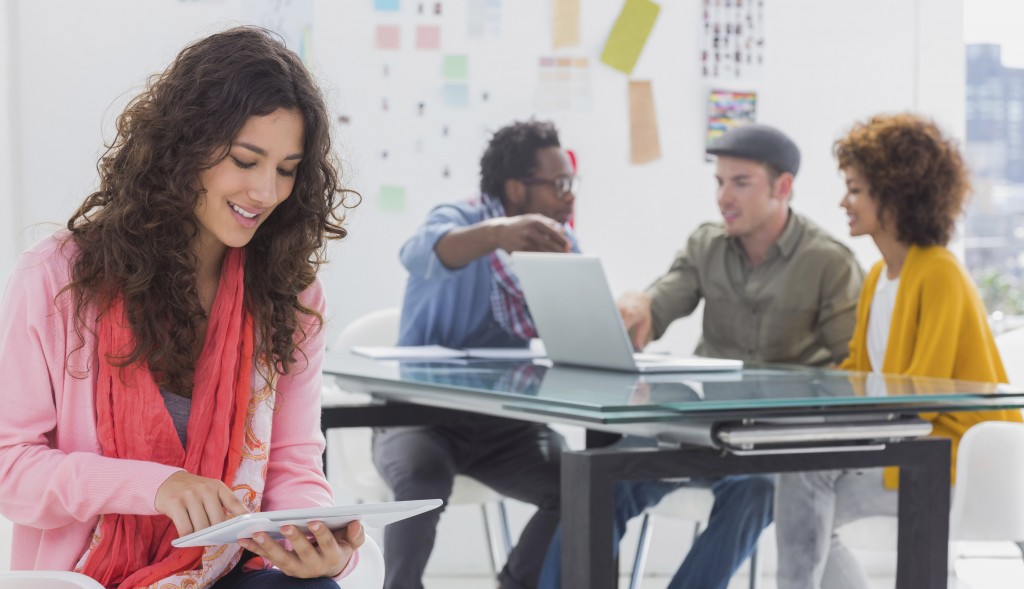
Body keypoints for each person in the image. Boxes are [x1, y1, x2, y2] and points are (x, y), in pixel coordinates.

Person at [0, 27, 363, 588]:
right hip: (91, 577)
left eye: (286, 169)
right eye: (246, 160)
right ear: (184, 147)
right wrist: (156, 486)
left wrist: (320, 538)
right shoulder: (59, 278)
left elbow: (293, 467)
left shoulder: (289, 297)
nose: (266, 191)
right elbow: (10, 468)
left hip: (224, 571)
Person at [538, 124, 866, 589]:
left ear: (783, 187)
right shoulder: (706, 244)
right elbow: (660, 302)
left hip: (769, 445)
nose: (724, 197)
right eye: (719, 182)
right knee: (596, 478)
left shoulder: (829, 263)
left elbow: (851, 370)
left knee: (757, 491)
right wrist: (636, 309)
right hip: (693, 431)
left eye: (740, 183)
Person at [774, 113, 1024, 589]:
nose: (843, 202)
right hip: (911, 446)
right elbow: (862, 373)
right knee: (801, 486)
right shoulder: (878, 277)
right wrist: (808, 387)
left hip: (950, 458)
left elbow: (924, 393)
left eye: (855, 190)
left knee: (805, 486)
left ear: (894, 195)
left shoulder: (939, 272)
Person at [372, 119, 577, 589]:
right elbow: (419, 252)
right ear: (516, 189)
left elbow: (579, 325)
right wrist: (498, 234)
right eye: (559, 184)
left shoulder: (558, 244)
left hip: (504, 425)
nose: (570, 196)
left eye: (572, 183)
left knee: (578, 487)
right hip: (421, 417)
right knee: (422, 481)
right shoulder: (460, 219)